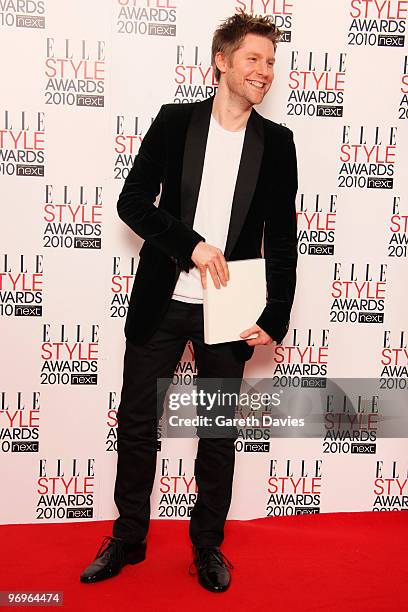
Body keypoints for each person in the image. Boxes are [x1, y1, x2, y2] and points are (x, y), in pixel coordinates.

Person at [80, 11, 298, 593]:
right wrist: (191, 246)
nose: (265, 71)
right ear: (222, 62)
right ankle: (128, 538)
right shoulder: (176, 123)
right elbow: (132, 202)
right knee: (137, 421)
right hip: (163, 297)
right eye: (253, 58)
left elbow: (282, 237)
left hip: (229, 310)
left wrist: (273, 316)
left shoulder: (277, 144)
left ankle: (207, 547)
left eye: (271, 61)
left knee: (218, 431)